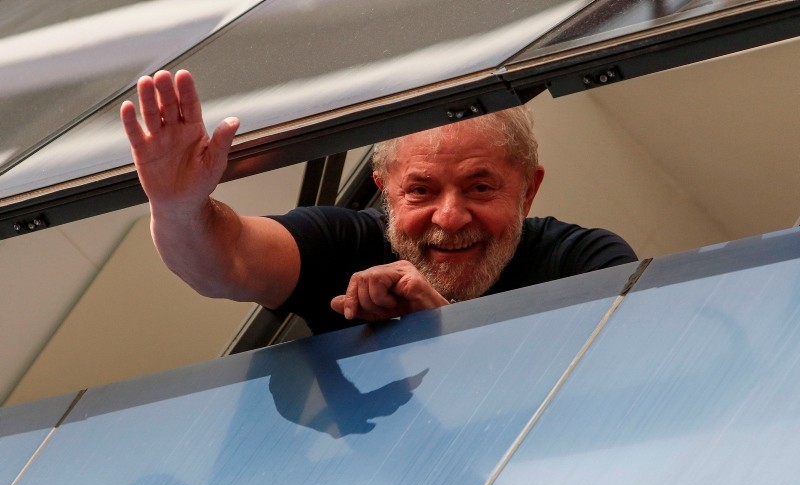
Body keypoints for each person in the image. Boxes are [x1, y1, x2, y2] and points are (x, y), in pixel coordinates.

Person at [120, 70, 637, 334]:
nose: (450, 217)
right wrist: (178, 205)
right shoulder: (345, 243)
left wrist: (443, 326)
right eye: (421, 190)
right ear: (384, 190)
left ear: (528, 190)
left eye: (481, 188)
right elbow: (223, 262)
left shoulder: (586, 265)